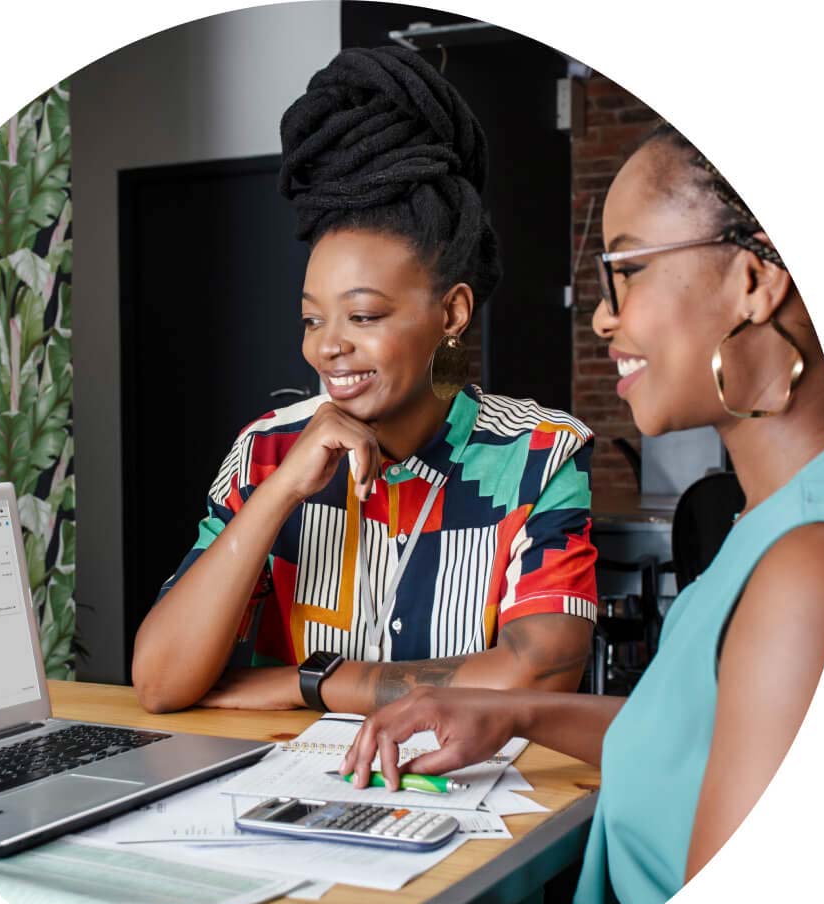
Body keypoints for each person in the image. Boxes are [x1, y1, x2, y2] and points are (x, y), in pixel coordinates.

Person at [339, 121, 824, 904]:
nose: (605, 315)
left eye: (627, 269)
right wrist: (511, 713)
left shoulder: (809, 568)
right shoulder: (772, 524)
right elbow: (699, 740)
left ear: (754, 279)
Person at [132, 46, 599, 719]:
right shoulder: (266, 452)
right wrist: (283, 488)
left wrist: (312, 682)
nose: (327, 345)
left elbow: (539, 672)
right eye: (311, 318)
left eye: (363, 315)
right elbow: (158, 681)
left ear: (451, 312)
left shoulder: (538, 454)